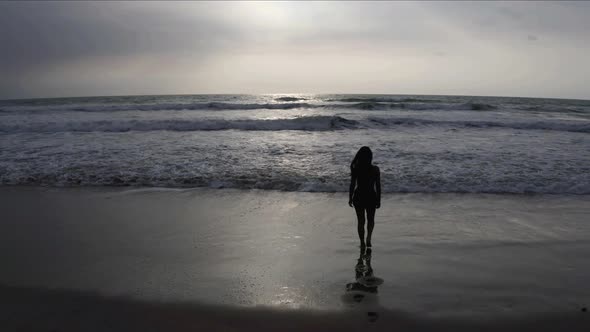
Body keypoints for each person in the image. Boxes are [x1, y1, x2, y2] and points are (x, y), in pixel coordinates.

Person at [348, 146, 381, 248]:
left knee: (361, 221)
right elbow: (378, 186)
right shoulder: (375, 169)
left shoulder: (356, 168)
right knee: (371, 219)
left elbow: (352, 184)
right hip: (371, 196)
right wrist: (379, 199)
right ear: (370, 157)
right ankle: (369, 238)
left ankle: (362, 242)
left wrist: (350, 197)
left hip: (359, 196)